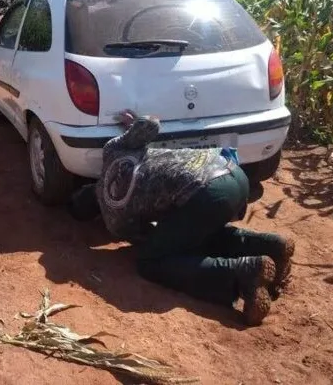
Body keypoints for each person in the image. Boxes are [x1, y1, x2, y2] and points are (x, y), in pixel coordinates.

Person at [69, 110, 295, 326]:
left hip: (207, 195)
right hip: (232, 172)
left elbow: (151, 238)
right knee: (192, 232)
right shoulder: (112, 151)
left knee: (151, 262)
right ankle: (271, 246)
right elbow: (151, 124)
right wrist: (133, 123)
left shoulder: (113, 222)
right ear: (90, 185)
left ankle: (243, 273)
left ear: (94, 214)